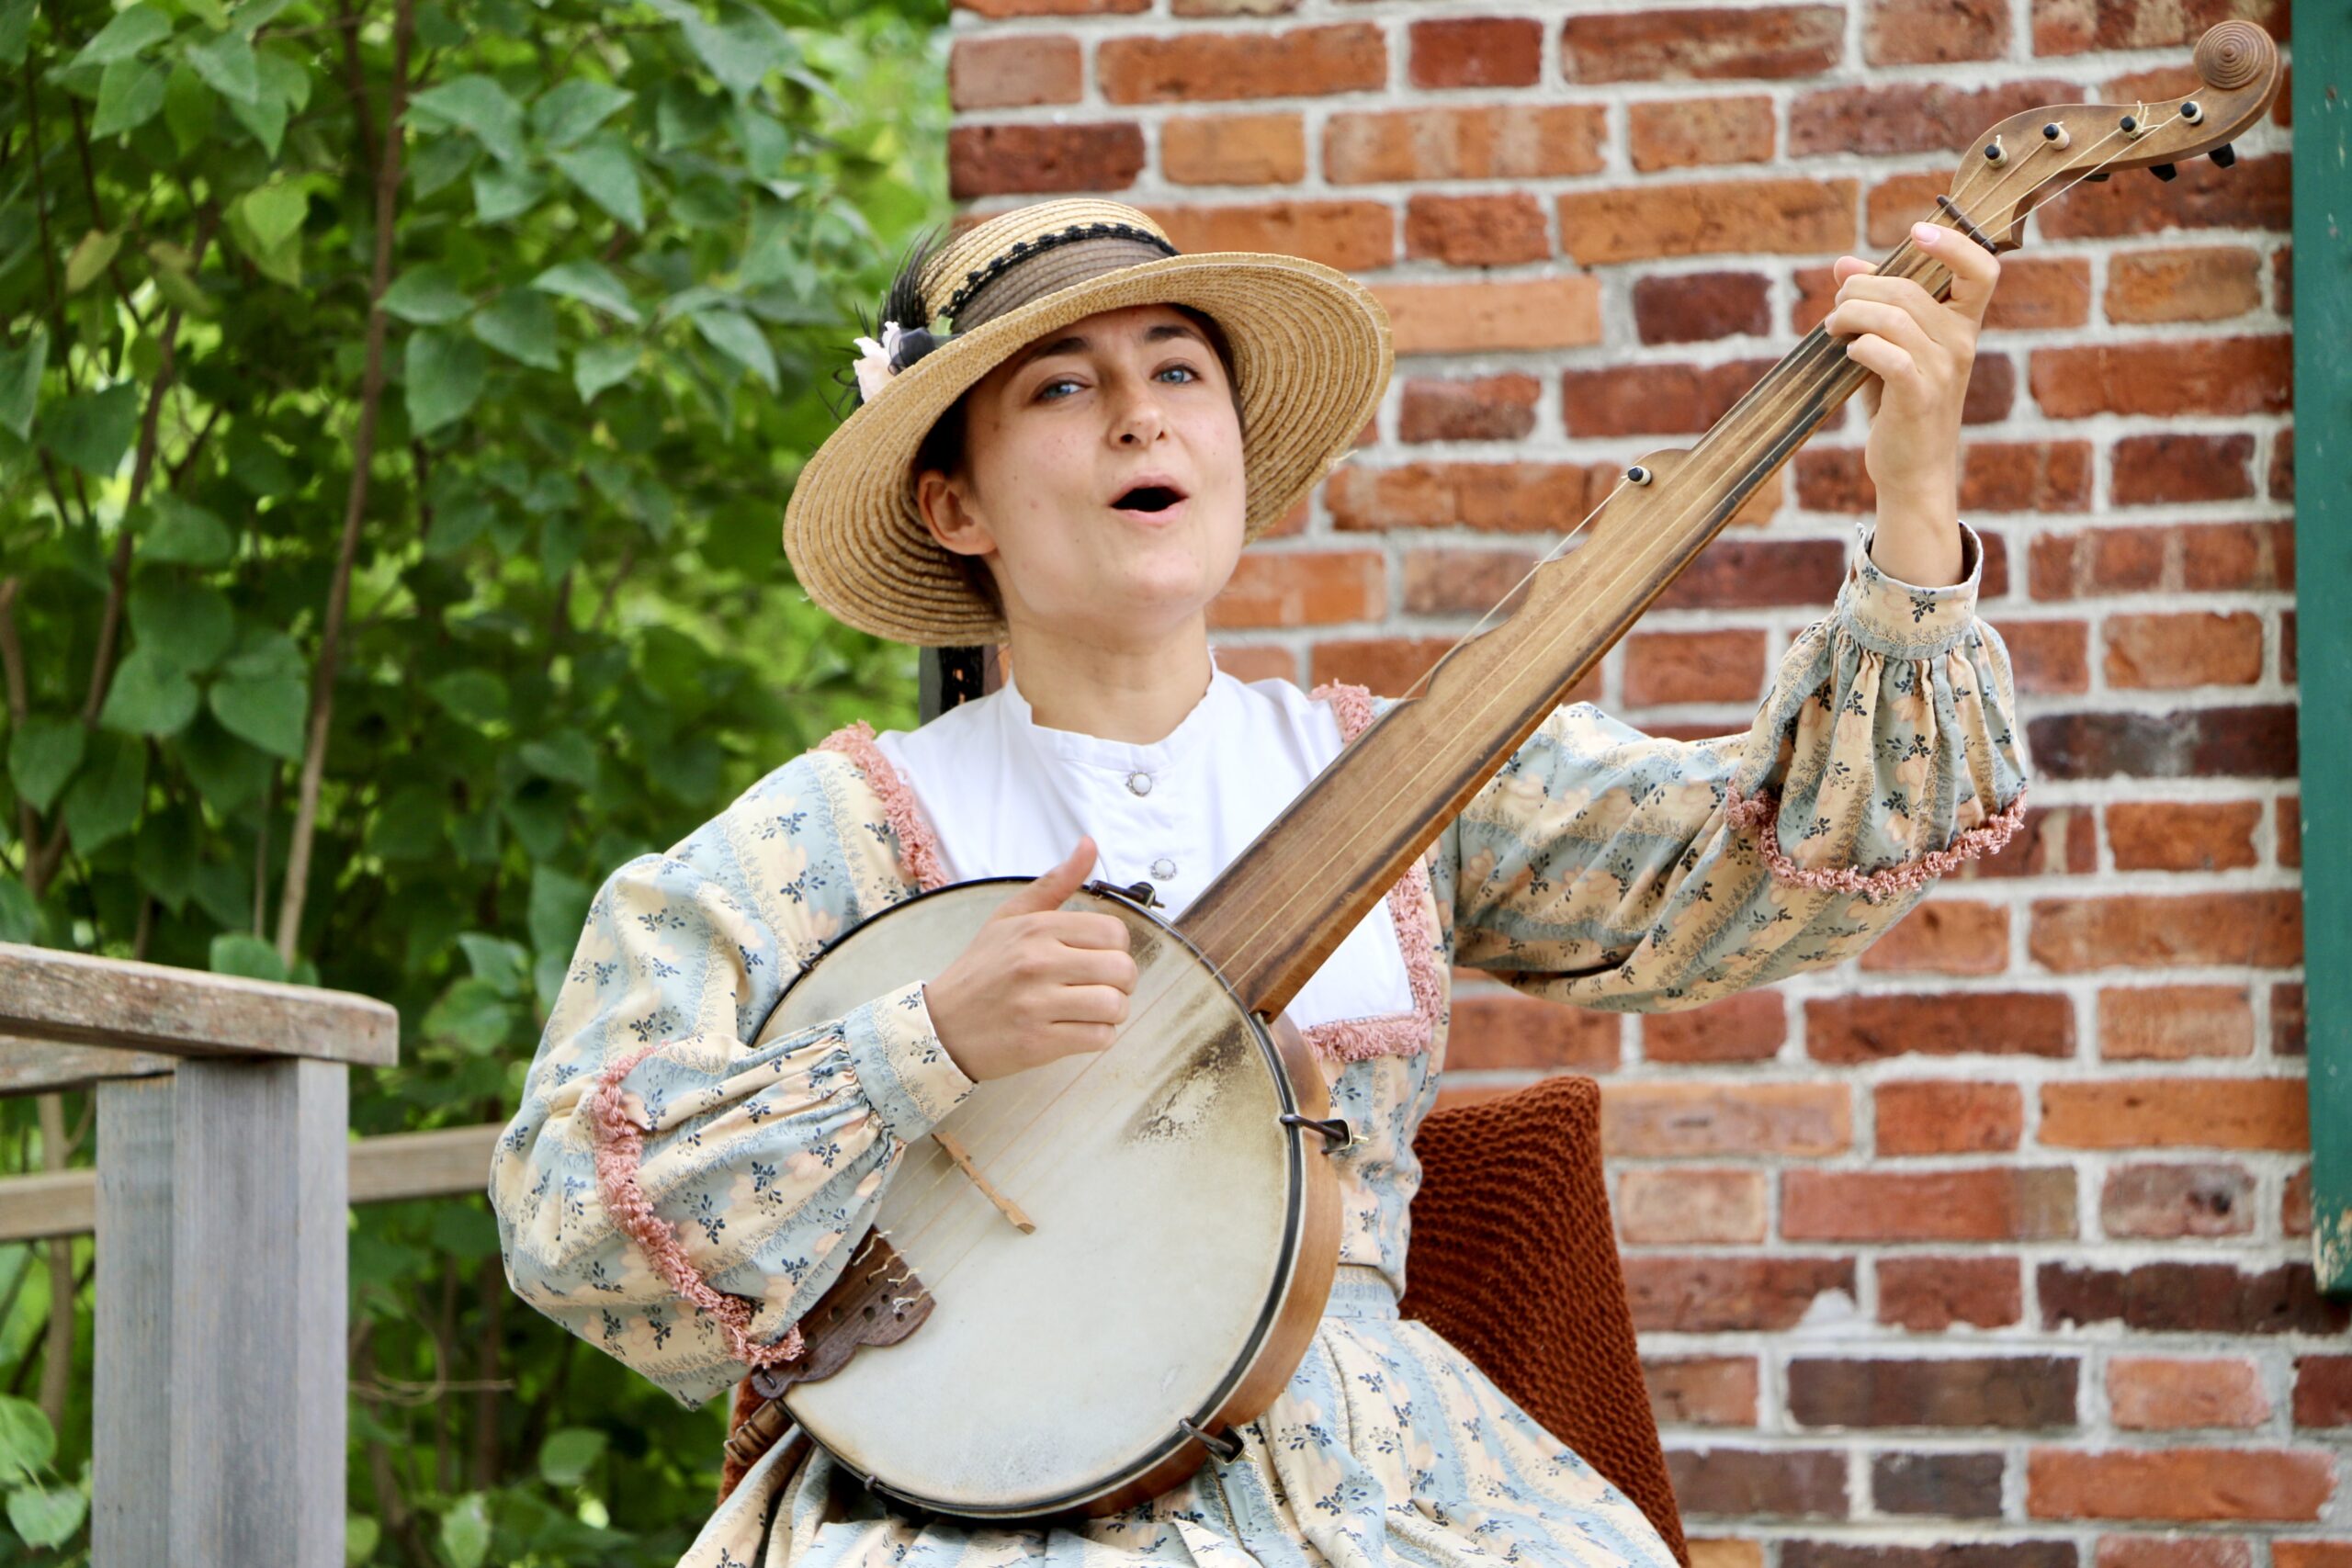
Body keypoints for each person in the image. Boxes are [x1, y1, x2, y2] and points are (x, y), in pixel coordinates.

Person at [489, 196, 2030, 1568]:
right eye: (1063, 387)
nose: (1139, 419)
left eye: (1177, 372)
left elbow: (1777, 864)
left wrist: (1912, 501)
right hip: (954, 1511)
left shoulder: (1399, 774)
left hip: (1376, 1479)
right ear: (955, 507)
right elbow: (571, 1214)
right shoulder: (828, 835)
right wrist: (922, 1044)